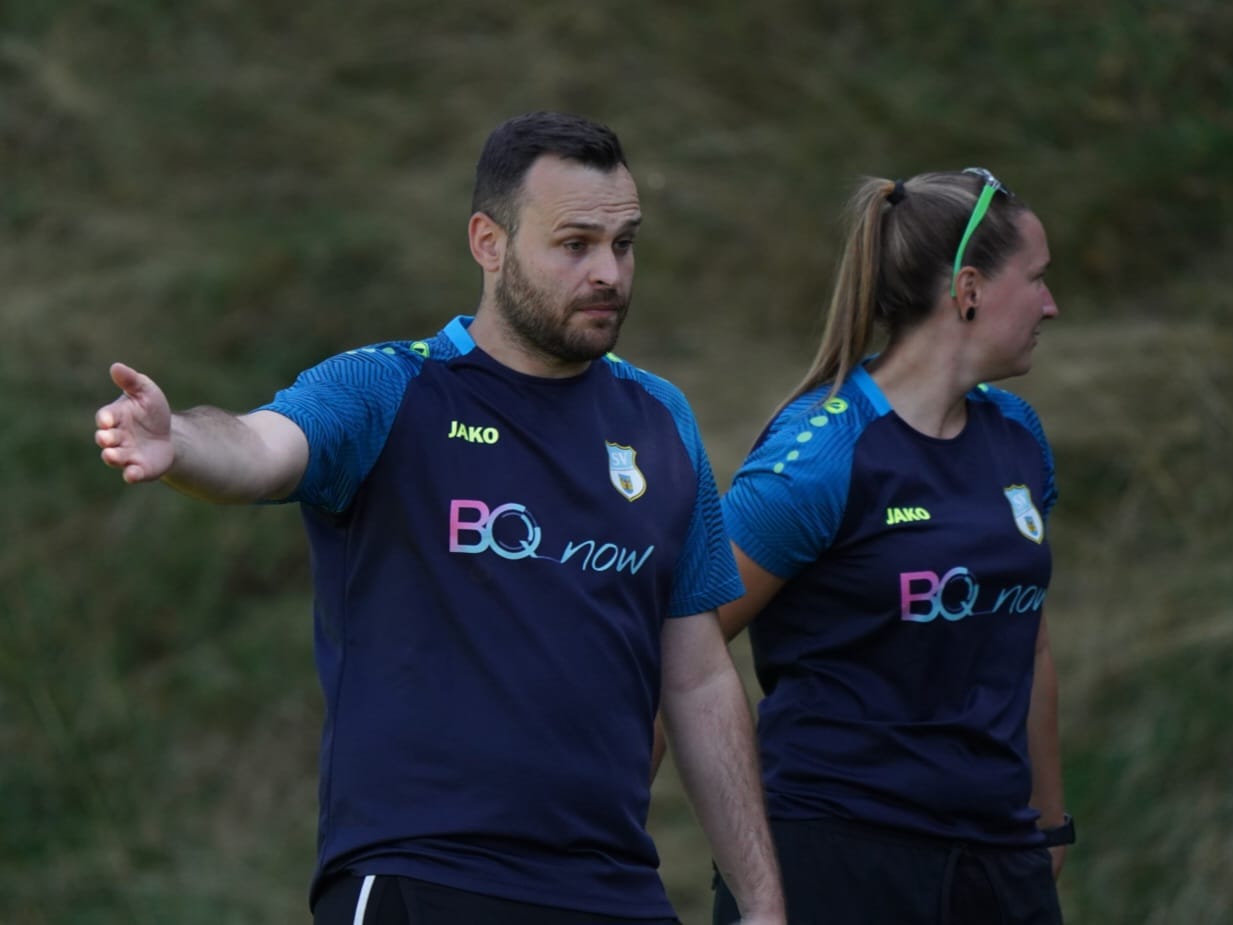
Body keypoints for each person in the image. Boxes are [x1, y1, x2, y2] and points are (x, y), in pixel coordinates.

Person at [95, 111, 784, 925]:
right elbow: (257, 447)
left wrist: (761, 902)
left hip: (612, 889)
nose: (609, 272)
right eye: (575, 244)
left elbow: (697, 677)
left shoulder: (659, 419)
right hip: (422, 874)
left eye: (623, 243)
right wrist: (177, 441)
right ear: (488, 243)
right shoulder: (389, 390)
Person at [710, 169, 1071, 925]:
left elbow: (1029, 641)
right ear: (968, 289)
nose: (1050, 305)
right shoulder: (820, 458)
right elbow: (682, 646)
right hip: (833, 856)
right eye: (1036, 279)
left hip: (997, 858)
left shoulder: (1018, 435)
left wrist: (1046, 822)